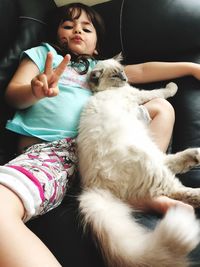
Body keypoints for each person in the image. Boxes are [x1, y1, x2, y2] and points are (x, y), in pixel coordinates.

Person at [1, 2, 200, 266]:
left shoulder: (101, 68)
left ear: (96, 46)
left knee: (161, 107)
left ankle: (146, 183)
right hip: (55, 151)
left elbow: (141, 71)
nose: (77, 31)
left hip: (101, 144)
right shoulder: (43, 54)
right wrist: (35, 91)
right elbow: (14, 94)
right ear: (55, 35)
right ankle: (143, 194)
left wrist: (191, 67)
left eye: (86, 27)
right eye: (68, 25)